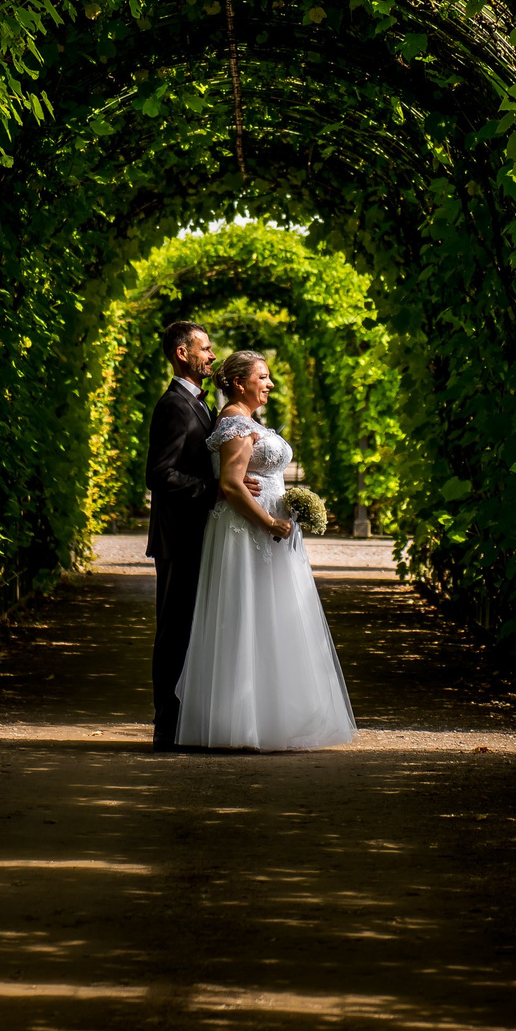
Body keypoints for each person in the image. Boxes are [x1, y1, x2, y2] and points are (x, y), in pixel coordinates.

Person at [173, 349, 357, 750]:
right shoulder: (235, 423)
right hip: (247, 532)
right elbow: (230, 485)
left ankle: (274, 714)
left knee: (273, 617)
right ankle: (242, 722)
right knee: (247, 615)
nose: (270, 383)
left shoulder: (248, 421)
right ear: (240, 383)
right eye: (263, 377)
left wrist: (290, 506)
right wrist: (270, 521)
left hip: (268, 532)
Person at [146, 319, 253, 748]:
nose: (211, 355)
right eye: (204, 349)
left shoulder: (200, 404)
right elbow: (160, 475)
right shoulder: (173, 405)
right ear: (182, 353)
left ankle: (186, 723)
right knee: (173, 632)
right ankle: (165, 729)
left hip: (198, 533)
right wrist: (216, 492)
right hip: (178, 537)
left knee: (193, 628)